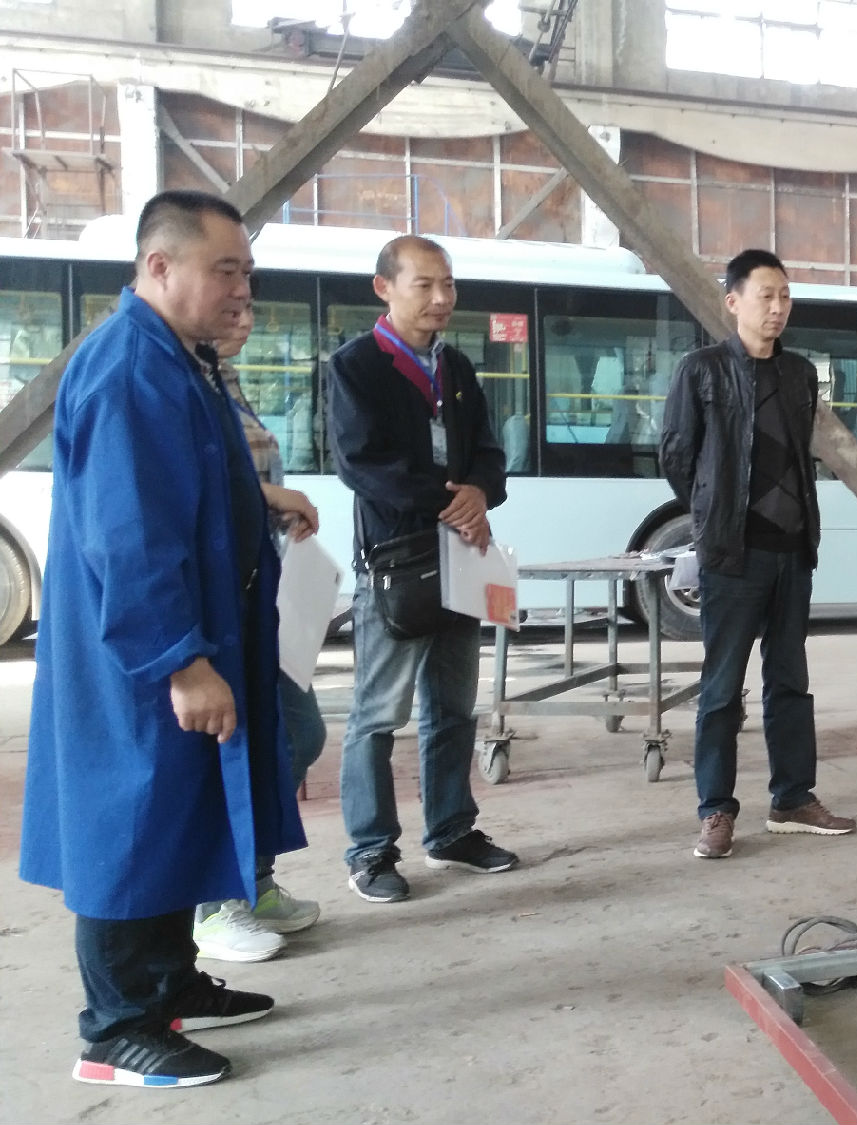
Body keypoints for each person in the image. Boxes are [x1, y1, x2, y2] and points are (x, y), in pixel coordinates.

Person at [19, 189, 308, 1087]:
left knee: (178, 813)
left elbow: (194, 485)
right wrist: (178, 660)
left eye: (246, 271)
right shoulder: (128, 368)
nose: (241, 288)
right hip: (140, 658)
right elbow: (129, 533)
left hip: (190, 634)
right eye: (225, 270)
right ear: (159, 266)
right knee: (131, 823)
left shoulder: (178, 358)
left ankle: (170, 981)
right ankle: (116, 1029)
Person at [326, 235, 517, 903]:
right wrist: (450, 503)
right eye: (425, 285)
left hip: (461, 558)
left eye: (449, 285)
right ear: (384, 288)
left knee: (453, 707)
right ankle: (371, 851)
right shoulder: (355, 366)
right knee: (378, 714)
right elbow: (361, 463)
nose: (442, 298)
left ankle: (451, 831)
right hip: (396, 563)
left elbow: (489, 450)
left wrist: (480, 492)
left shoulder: (455, 366)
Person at [660, 249, 857, 859]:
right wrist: (714, 509)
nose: (778, 307)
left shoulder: (798, 374)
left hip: (792, 553)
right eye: (765, 295)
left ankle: (792, 798)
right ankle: (716, 810)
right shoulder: (702, 371)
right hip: (733, 556)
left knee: (790, 681)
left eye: (785, 296)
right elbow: (677, 455)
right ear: (733, 302)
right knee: (721, 689)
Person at [189, 304, 328, 961]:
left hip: (260, 593)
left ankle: (255, 878)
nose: (243, 314)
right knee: (236, 747)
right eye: (229, 291)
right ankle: (215, 902)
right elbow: (200, 482)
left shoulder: (224, 379)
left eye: (249, 300)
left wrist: (277, 510)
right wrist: (272, 497)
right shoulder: (176, 379)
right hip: (216, 603)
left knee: (296, 732)